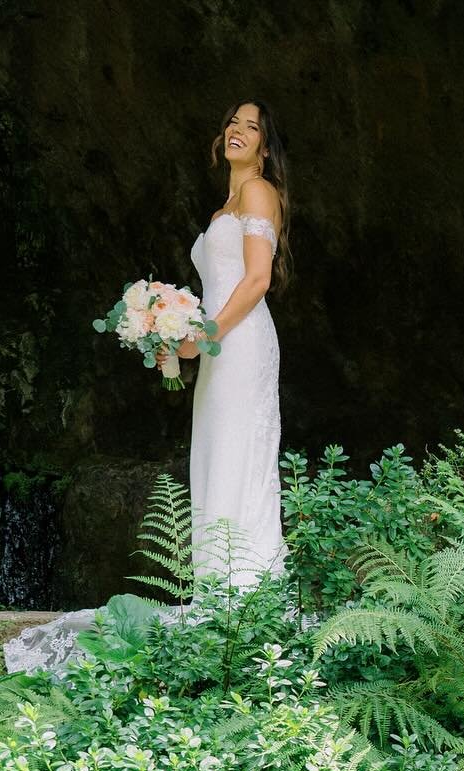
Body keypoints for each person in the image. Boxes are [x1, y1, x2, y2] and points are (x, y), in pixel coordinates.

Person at [177, 100, 291, 591]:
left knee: (237, 455)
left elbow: (257, 279)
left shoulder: (258, 191)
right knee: (214, 454)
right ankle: (215, 591)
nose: (237, 130)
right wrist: (177, 337)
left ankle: (244, 593)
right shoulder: (223, 208)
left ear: (264, 148)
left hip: (240, 345)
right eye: (232, 122)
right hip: (218, 345)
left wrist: (205, 337)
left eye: (251, 127)